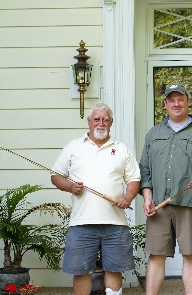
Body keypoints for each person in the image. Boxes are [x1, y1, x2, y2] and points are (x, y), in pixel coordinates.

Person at [51, 103, 141, 295]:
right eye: (97, 119)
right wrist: (69, 186)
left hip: (115, 222)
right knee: (81, 271)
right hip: (82, 222)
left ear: (111, 123)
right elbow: (56, 175)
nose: (101, 123)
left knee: (114, 269)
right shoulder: (74, 147)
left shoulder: (121, 148)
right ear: (89, 122)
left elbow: (134, 178)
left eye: (105, 119)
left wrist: (128, 196)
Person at [139, 83, 192, 295]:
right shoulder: (153, 133)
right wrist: (147, 196)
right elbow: (144, 170)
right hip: (159, 205)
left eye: (180, 99)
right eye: (172, 100)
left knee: (190, 254)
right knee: (156, 255)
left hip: (190, 203)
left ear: (187, 102)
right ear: (165, 104)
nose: (176, 104)